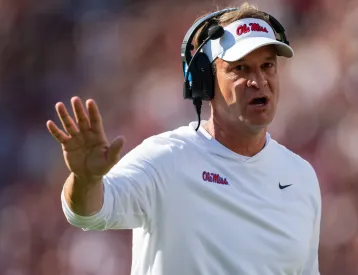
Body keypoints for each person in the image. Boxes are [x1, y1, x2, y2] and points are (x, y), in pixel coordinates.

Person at [46, 2, 322, 275]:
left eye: (267, 66)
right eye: (240, 69)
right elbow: (89, 213)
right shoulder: (167, 158)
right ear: (205, 81)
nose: (259, 80)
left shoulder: (301, 177)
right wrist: (86, 179)